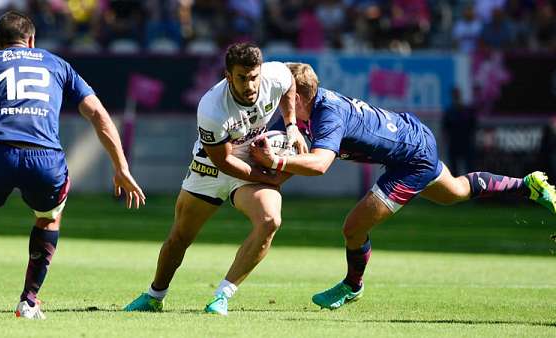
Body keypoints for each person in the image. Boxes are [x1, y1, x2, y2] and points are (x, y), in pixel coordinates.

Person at [251, 63, 556, 310]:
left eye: (282, 94)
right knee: (456, 193)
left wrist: (275, 164)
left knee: (353, 228)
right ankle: (527, 185)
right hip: (412, 136)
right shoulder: (301, 114)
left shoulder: (326, 114)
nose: (277, 101)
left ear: (299, 97)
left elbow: (318, 165)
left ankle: (352, 286)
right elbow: (281, 152)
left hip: (411, 159)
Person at [0, 11, 145, 320]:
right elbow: (97, 114)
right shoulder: (56, 64)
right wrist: (121, 166)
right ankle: (28, 302)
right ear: (31, 41)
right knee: (48, 219)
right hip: (45, 159)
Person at [124, 42, 307, 316]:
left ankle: (222, 295)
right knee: (179, 238)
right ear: (228, 75)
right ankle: (154, 295)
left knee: (270, 220)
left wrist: (291, 125)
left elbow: (290, 83)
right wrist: (269, 177)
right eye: (242, 78)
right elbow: (224, 161)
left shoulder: (276, 74)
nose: (250, 85)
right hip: (210, 167)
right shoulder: (212, 109)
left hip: (252, 159)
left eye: (254, 77)